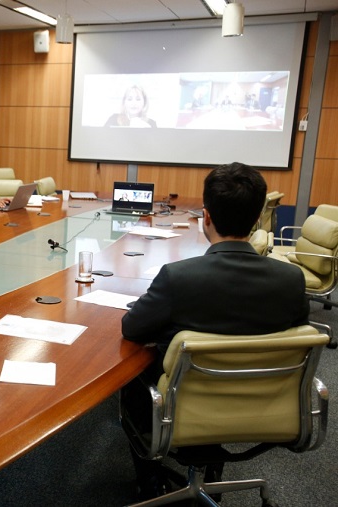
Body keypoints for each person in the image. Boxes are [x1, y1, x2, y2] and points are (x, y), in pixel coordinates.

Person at [120, 162, 310, 501]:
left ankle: (149, 482)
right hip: (265, 407)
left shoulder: (178, 278)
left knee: (135, 381)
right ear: (256, 221)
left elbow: (132, 329)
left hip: (183, 409)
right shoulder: (292, 280)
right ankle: (213, 468)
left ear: (205, 217)